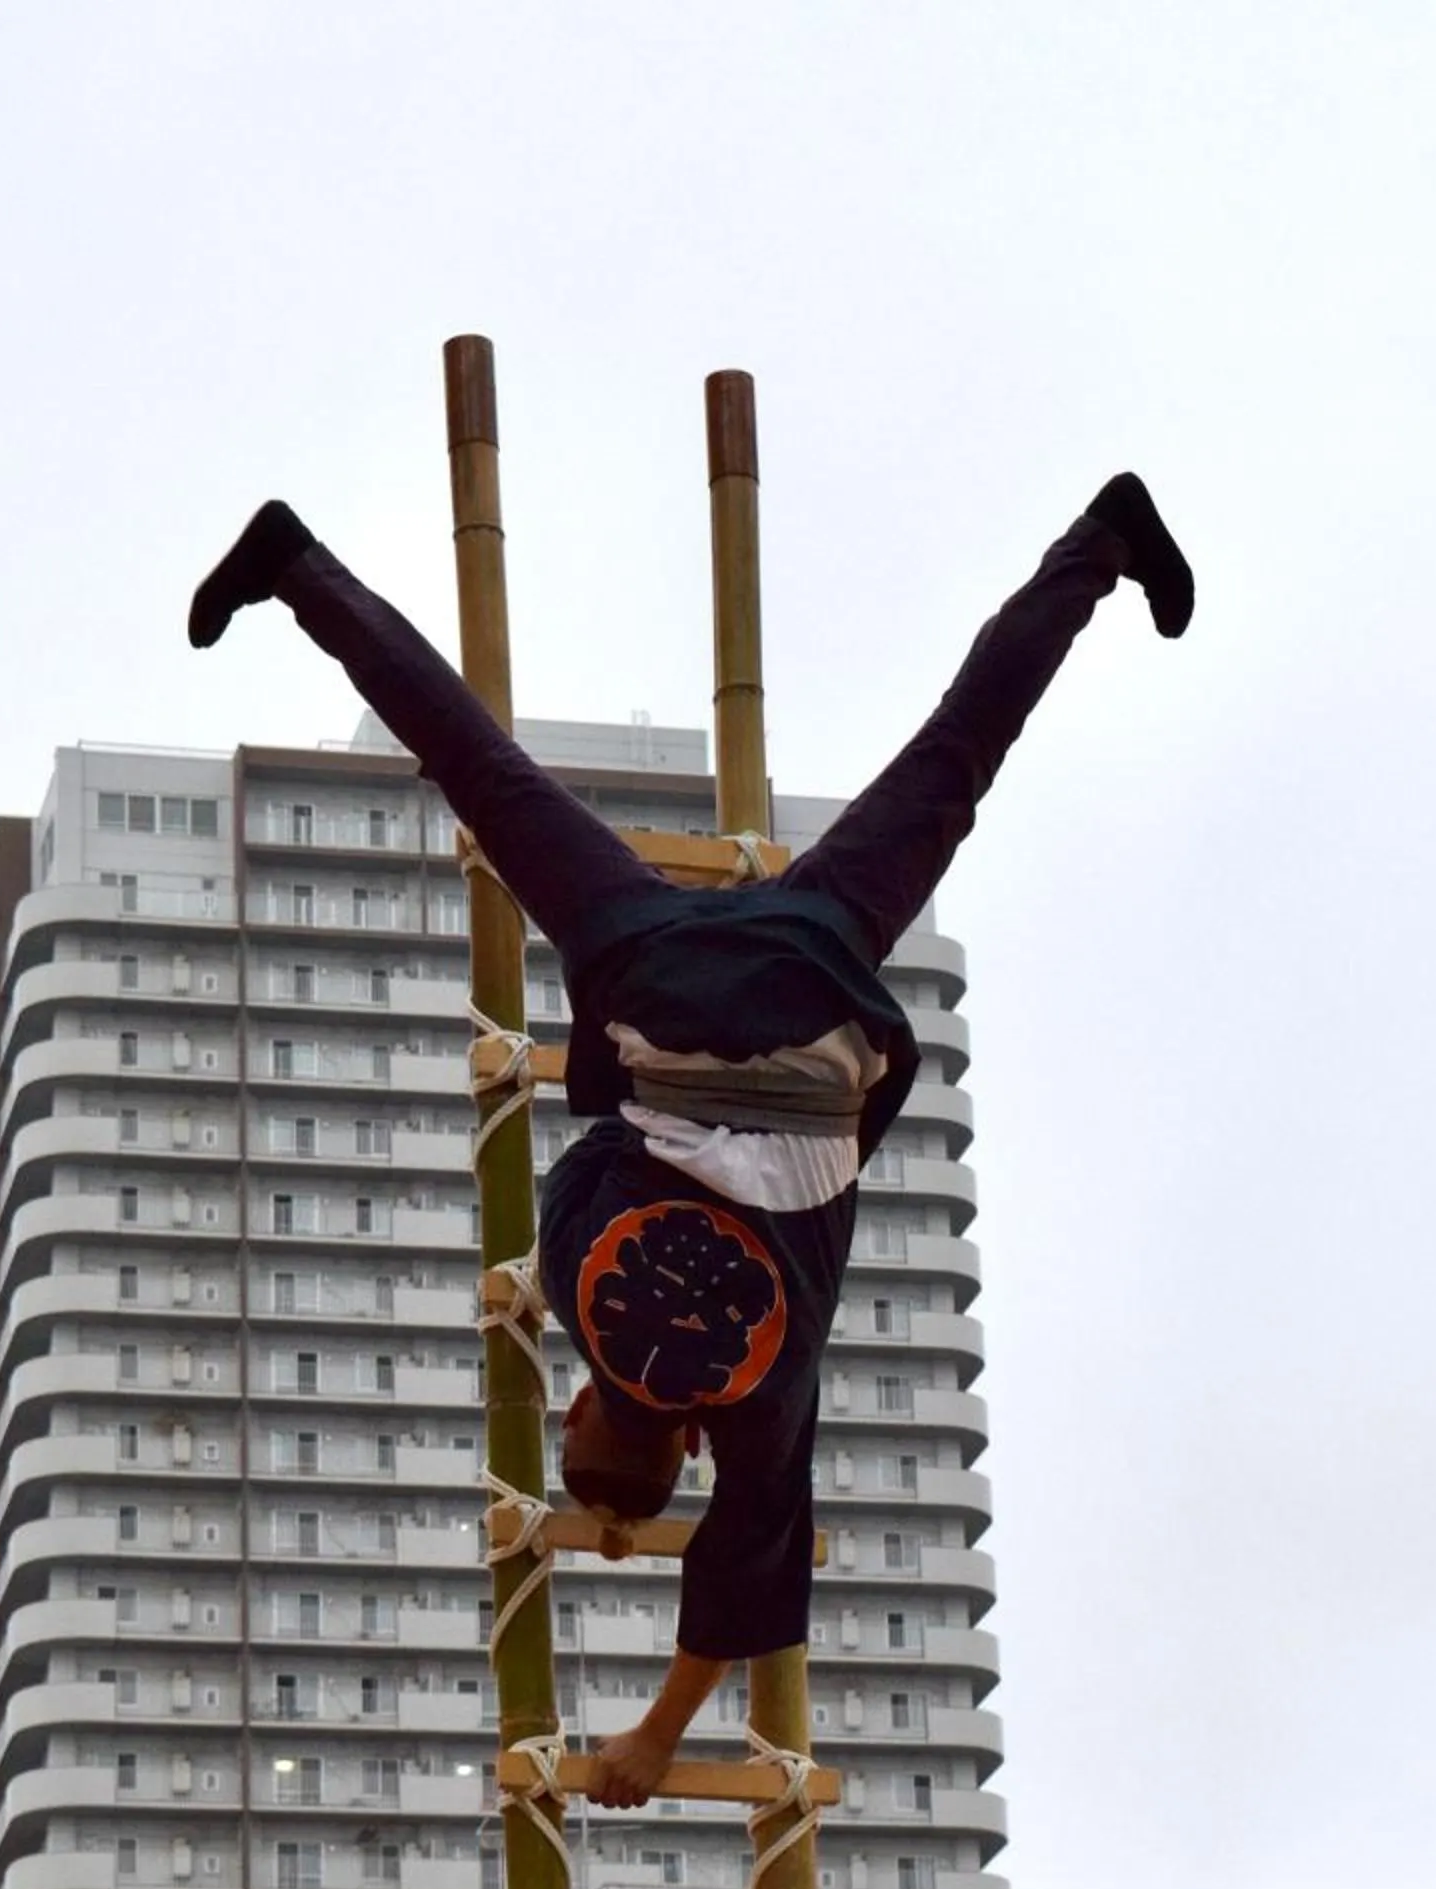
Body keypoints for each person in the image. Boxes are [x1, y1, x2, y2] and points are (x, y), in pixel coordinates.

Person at [188, 473, 1191, 1803]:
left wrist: (654, 1741)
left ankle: (1102, 543)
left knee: (956, 760)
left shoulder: (763, 1397)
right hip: (660, 971)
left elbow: (733, 1593)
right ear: (588, 1392)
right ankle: (296, 567)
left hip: (817, 982)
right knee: (479, 770)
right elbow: (596, 1123)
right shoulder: (587, 1271)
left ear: (694, 1448)